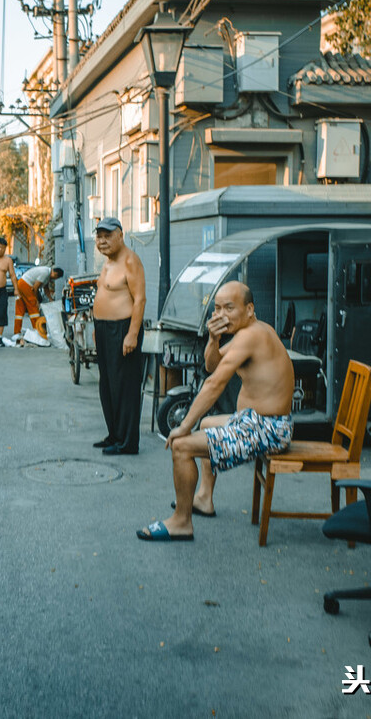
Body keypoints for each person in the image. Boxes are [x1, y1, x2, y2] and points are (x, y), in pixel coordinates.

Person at [136, 281, 294, 542]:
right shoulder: (250, 331)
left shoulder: (252, 335)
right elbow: (212, 365)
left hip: (267, 429)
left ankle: (181, 522)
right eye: (217, 308)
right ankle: (204, 498)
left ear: (250, 308)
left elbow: (214, 383)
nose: (221, 315)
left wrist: (184, 426)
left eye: (230, 308)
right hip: (260, 422)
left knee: (182, 446)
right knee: (209, 423)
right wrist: (213, 338)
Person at [91, 217, 146, 455]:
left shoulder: (130, 261)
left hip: (122, 329)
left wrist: (132, 334)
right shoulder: (107, 262)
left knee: (125, 386)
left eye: (107, 236)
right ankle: (114, 434)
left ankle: (127, 442)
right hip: (104, 329)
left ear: (120, 235)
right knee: (107, 385)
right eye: (99, 236)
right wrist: (97, 328)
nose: (102, 241)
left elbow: (140, 299)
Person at [14, 265, 64, 338]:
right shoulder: (45, 273)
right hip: (26, 285)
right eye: (56, 278)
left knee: (20, 309)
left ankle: (16, 332)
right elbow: (35, 287)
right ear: (55, 274)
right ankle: (38, 331)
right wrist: (36, 300)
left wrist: (50, 299)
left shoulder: (47, 274)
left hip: (21, 283)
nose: (54, 279)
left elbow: (46, 288)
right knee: (34, 308)